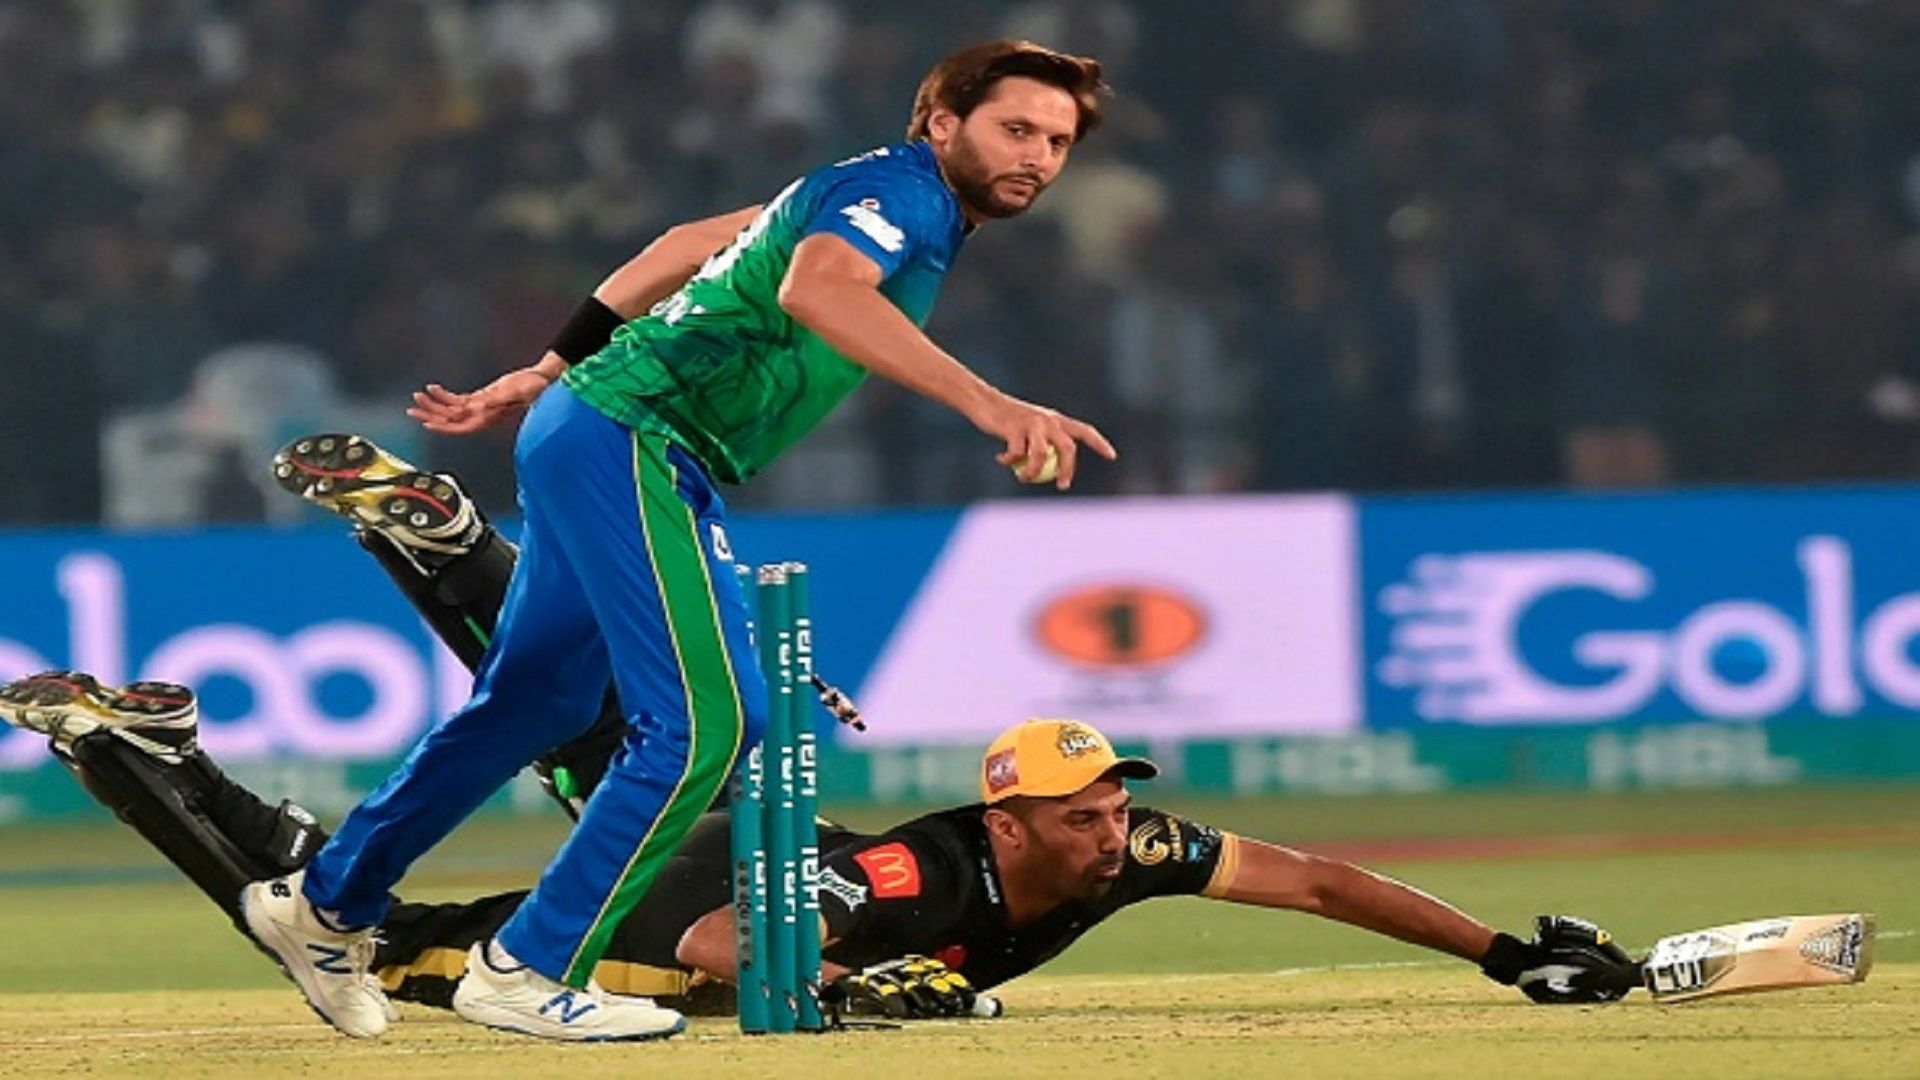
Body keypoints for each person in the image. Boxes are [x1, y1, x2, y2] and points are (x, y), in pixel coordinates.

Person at [243, 38, 1120, 1042]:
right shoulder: (904, 195)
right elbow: (819, 293)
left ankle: (324, 902)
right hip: (633, 436)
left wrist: (549, 367)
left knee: (537, 702)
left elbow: (687, 242)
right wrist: (992, 404)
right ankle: (527, 965)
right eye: (1016, 129)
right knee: (709, 723)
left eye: (1057, 142)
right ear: (941, 122)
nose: (1037, 157)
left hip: (599, 426)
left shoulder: (855, 189)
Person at [0, 683, 1643, 1024]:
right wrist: (864, 988)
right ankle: (130, 757)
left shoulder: (1127, 845)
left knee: (612, 752)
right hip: (646, 923)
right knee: (344, 933)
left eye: (1112, 804)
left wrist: (1505, 955)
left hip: (726, 860)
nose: (1110, 830)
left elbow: (1319, 879)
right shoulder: (922, 875)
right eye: (1079, 812)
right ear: (1006, 819)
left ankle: (163, 748)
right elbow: (732, 957)